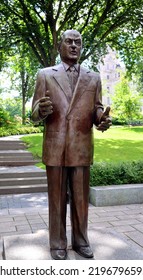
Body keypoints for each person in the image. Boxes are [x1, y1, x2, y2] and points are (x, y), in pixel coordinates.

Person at [32, 30, 111, 260]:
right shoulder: (44, 75)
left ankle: (81, 240)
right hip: (55, 147)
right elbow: (34, 113)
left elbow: (96, 108)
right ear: (60, 46)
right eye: (69, 41)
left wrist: (101, 118)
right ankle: (57, 243)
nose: (74, 46)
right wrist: (41, 110)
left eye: (78, 42)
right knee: (56, 200)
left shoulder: (93, 77)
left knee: (80, 199)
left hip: (82, 146)